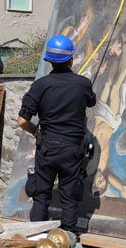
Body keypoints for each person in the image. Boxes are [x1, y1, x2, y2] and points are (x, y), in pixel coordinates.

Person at [18, 35, 96, 236]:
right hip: (72, 148)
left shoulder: (40, 86)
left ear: (49, 60)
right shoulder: (82, 84)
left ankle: (36, 236)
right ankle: (67, 238)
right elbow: (91, 102)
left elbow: (22, 121)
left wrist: (36, 132)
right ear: (71, 59)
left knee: (41, 195)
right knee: (69, 196)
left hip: (47, 147)